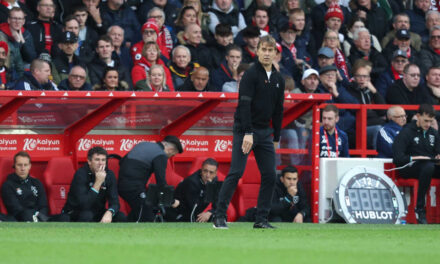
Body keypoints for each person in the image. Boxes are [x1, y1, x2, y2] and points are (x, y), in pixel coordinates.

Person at [212, 35, 285, 229]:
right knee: (236, 172)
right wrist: (247, 132)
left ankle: (261, 219)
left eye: (271, 50)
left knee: (270, 175)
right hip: (245, 131)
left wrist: (276, 137)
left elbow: (278, 110)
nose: (267, 53)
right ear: (258, 51)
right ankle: (219, 216)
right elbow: (244, 106)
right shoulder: (251, 75)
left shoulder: (278, 79)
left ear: (276, 54)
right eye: (264, 49)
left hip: (265, 133)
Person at [393, 104, 440, 224]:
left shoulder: (433, 133)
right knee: (428, 167)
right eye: (426, 120)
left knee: (429, 166)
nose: (428, 124)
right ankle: (420, 209)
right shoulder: (406, 132)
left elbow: (437, 152)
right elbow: (398, 158)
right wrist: (416, 157)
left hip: (428, 165)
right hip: (408, 167)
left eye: (431, 121)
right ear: (418, 116)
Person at [118, 135, 183, 222]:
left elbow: (121, 162)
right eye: (172, 155)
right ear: (170, 150)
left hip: (121, 184)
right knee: (146, 213)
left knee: (138, 210)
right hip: (134, 187)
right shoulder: (161, 154)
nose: (169, 157)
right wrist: (171, 201)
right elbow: (161, 182)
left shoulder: (143, 144)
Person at [62, 146, 126, 222]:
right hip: (75, 211)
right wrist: (98, 182)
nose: (100, 163)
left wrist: (110, 212)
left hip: (97, 211)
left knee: (120, 216)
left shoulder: (109, 175)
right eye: (97, 160)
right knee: (87, 215)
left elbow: (115, 203)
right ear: (89, 161)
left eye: (103, 160)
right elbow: (84, 205)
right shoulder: (81, 174)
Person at [1, 151, 49, 222]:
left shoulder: (37, 183)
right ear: (14, 166)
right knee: (26, 215)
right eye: (19, 165)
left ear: (30, 166)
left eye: (25, 165)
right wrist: (35, 214)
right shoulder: (8, 185)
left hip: (40, 218)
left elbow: (43, 206)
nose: (23, 168)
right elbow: (16, 209)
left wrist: (40, 216)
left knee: (64, 217)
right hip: (20, 219)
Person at [171, 158, 219, 222]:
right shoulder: (192, 182)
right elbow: (193, 209)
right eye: (205, 171)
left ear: (215, 174)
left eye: (211, 172)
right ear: (201, 170)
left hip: (193, 212)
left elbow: (217, 203)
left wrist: (209, 213)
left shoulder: (214, 180)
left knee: (215, 216)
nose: (207, 175)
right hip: (178, 212)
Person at [0, 7, 37, 79]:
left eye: (20, 19)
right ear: (9, 20)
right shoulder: (1, 33)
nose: (17, 21)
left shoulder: (26, 34)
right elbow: (7, 58)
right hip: (6, 66)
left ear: (23, 21)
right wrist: (16, 43)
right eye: (14, 18)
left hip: (21, 65)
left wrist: (23, 42)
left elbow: (31, 58)